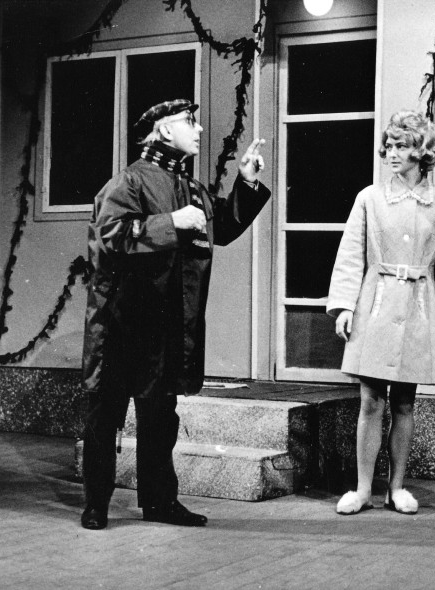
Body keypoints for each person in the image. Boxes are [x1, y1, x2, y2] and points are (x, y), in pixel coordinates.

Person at [80, 99, 270, 530]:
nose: (199, 129)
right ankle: (96, 504)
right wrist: (172, 222)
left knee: (160, 418)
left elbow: (222, 227)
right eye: (189, 121)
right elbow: (109, 235)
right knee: (105, 416)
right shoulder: (129, 181)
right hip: (122, 325)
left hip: (165, 328)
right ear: (164, 131)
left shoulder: (193, 188)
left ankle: (160, 502)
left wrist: (246, 182)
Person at [327, 110, 435, 516]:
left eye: (401, 146)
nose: (391, 153)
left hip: (419, 307)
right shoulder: (369, 198)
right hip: (376, 303)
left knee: (404, 401)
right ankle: (362, 489)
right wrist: (344, 306)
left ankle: (397, 488)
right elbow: (350, 255)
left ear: (421, 152)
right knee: (370, 400)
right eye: (388, 146)